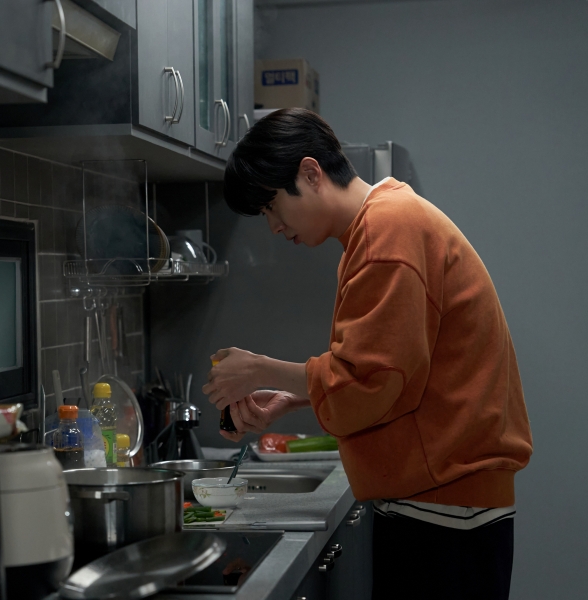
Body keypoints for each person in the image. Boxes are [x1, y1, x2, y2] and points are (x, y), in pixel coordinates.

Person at [202, 108, 532, 600]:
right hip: (449, 502)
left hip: (444, 510)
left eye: (271, 206)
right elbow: (394, 373)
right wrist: (293, 397)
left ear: (310, 173)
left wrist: (258, 369)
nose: (273, 226)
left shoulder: (386, 231)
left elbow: (371, 382)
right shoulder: (381, 224)